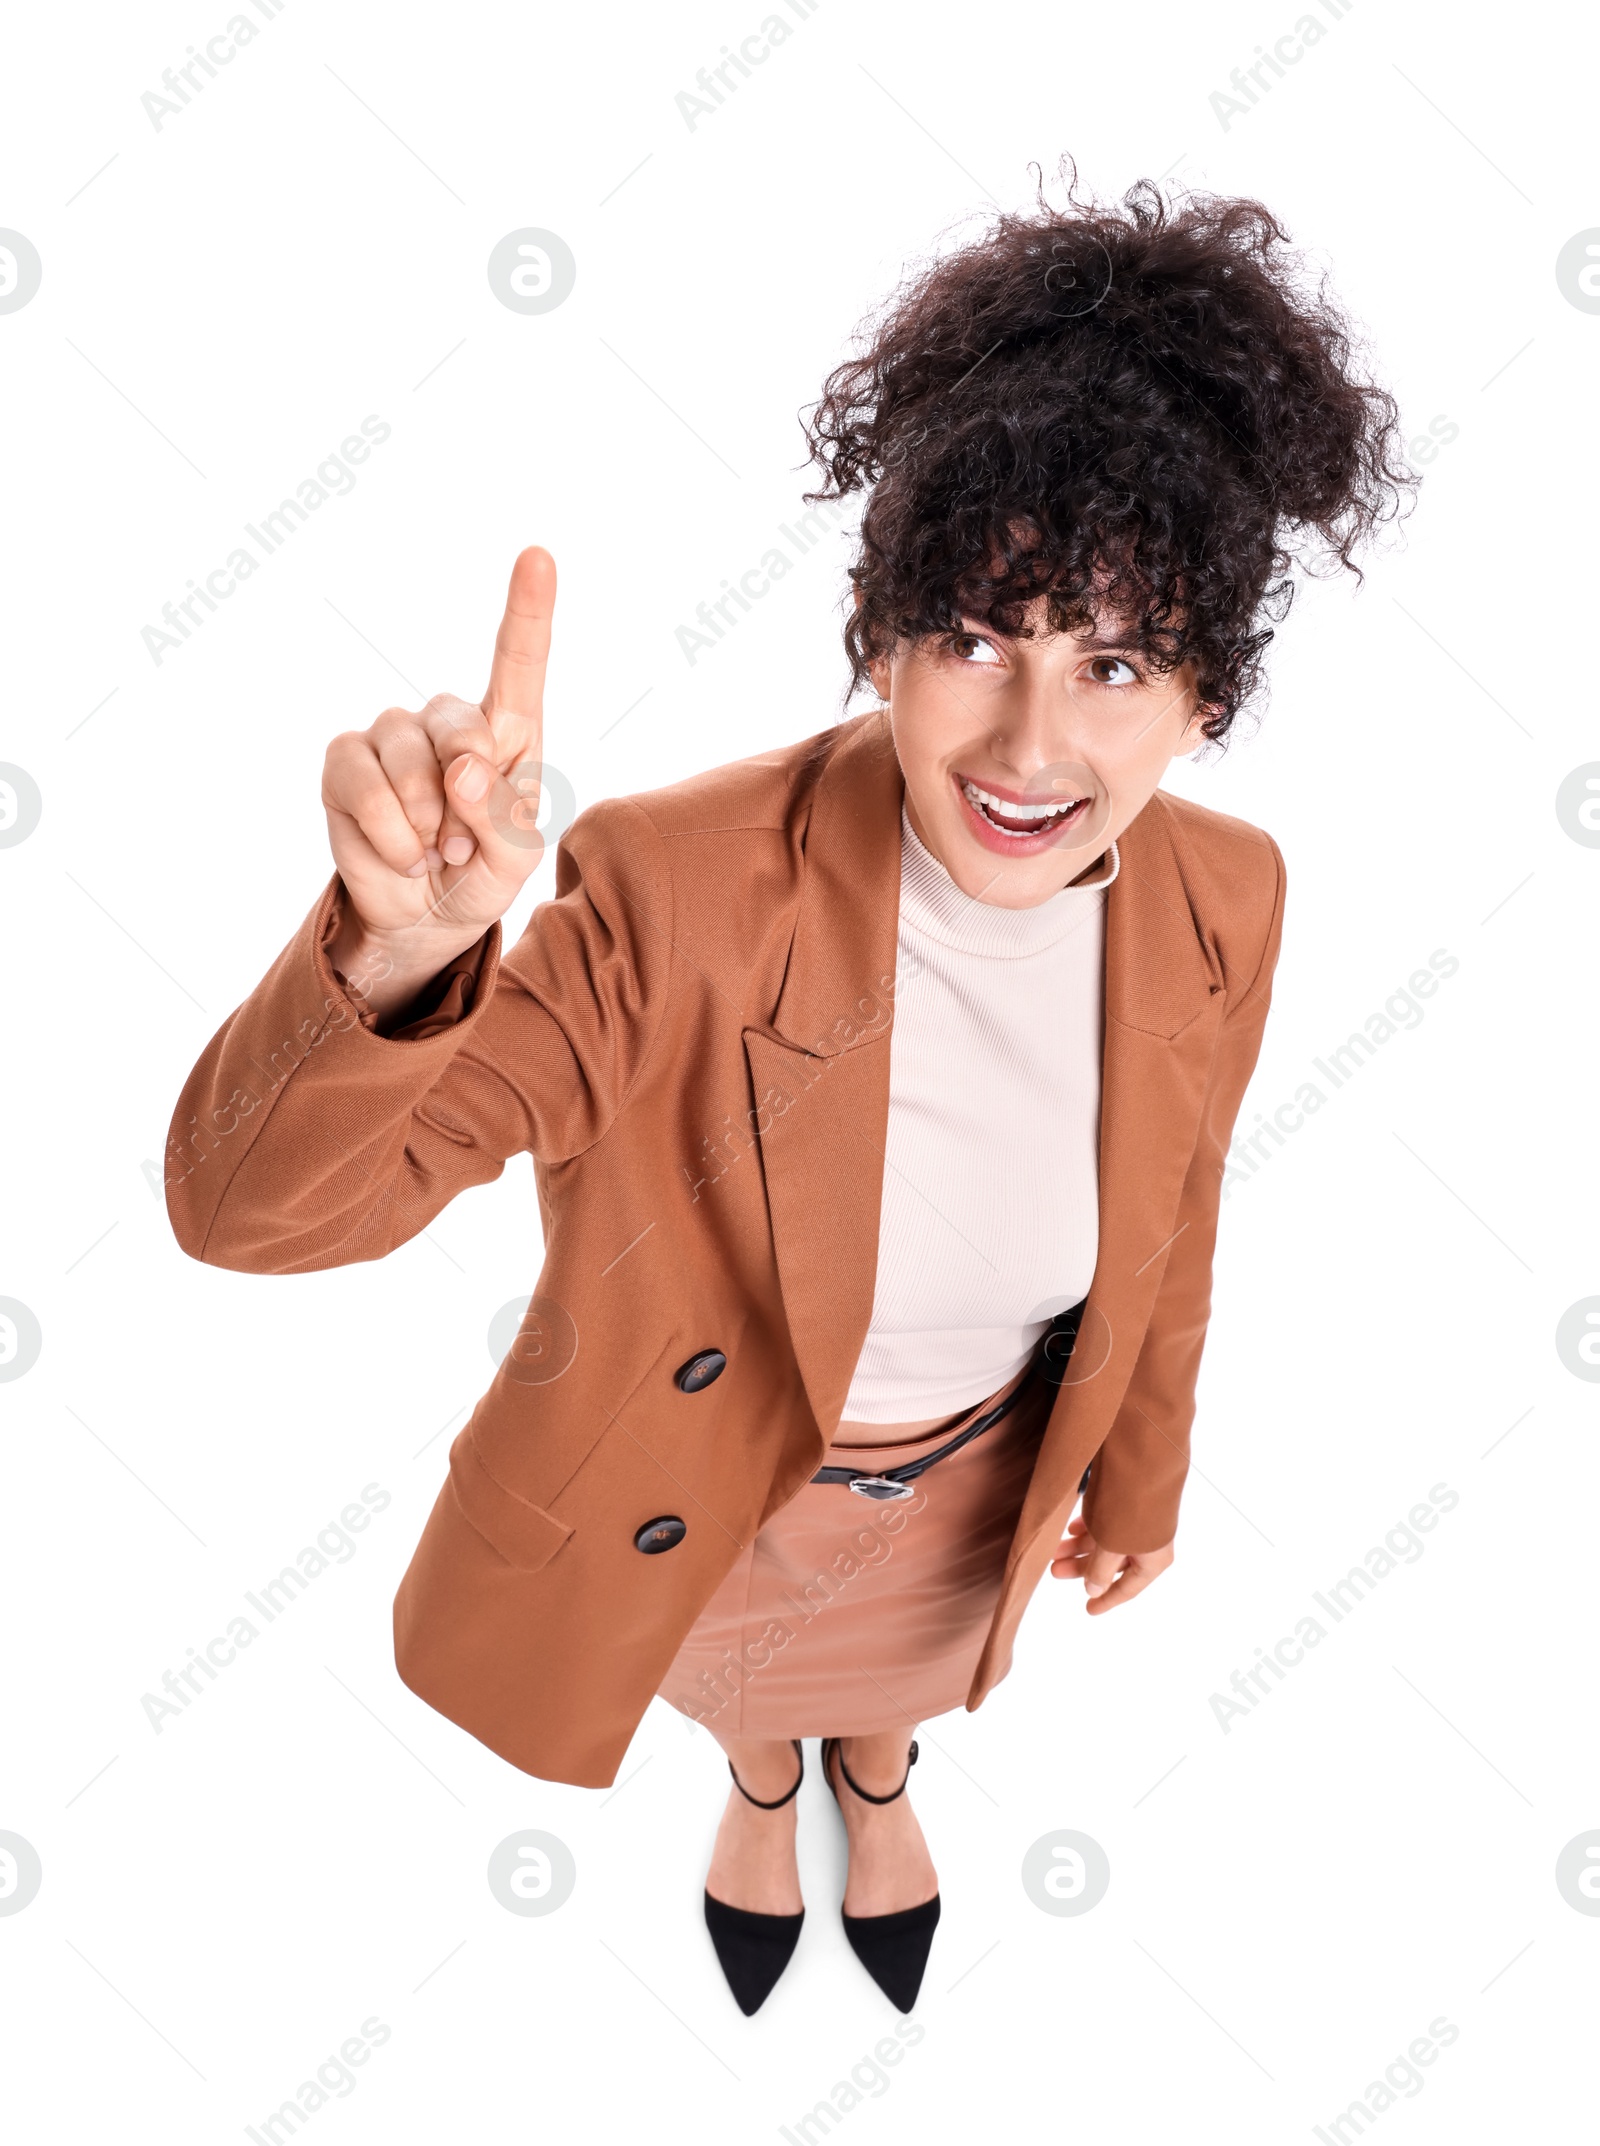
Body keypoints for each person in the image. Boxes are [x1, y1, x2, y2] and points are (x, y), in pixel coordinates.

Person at [164, 173, 1412, 2017]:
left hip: (979, 1483)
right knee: (752, 1694)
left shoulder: (1230, 896)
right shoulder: (674, 892)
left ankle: (882, 1770)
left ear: (1203, 701)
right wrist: (393, 954)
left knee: (899, 1686)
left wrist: (1140, 1469)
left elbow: (1181, 1204)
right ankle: (765, 1782)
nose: (1034, 744)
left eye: (1117, 663)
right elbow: (254, 1212)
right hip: (731, 1496)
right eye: (977, 639)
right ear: (879, 634)